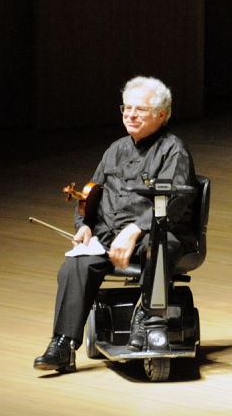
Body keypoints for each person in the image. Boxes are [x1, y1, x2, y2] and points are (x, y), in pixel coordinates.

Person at [34, 76, 197, 372]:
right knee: (76, 264)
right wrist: (83, 225)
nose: (130, 115)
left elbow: (175, 200)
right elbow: (91, 195)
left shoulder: (173, 149)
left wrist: (135, 230)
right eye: (126, 108)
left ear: (161, 114)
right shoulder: (115, 149)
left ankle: (145, 319)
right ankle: (63, 344)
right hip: (109, 236)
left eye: (140, 109)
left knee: (161, 248)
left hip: (156, 234)